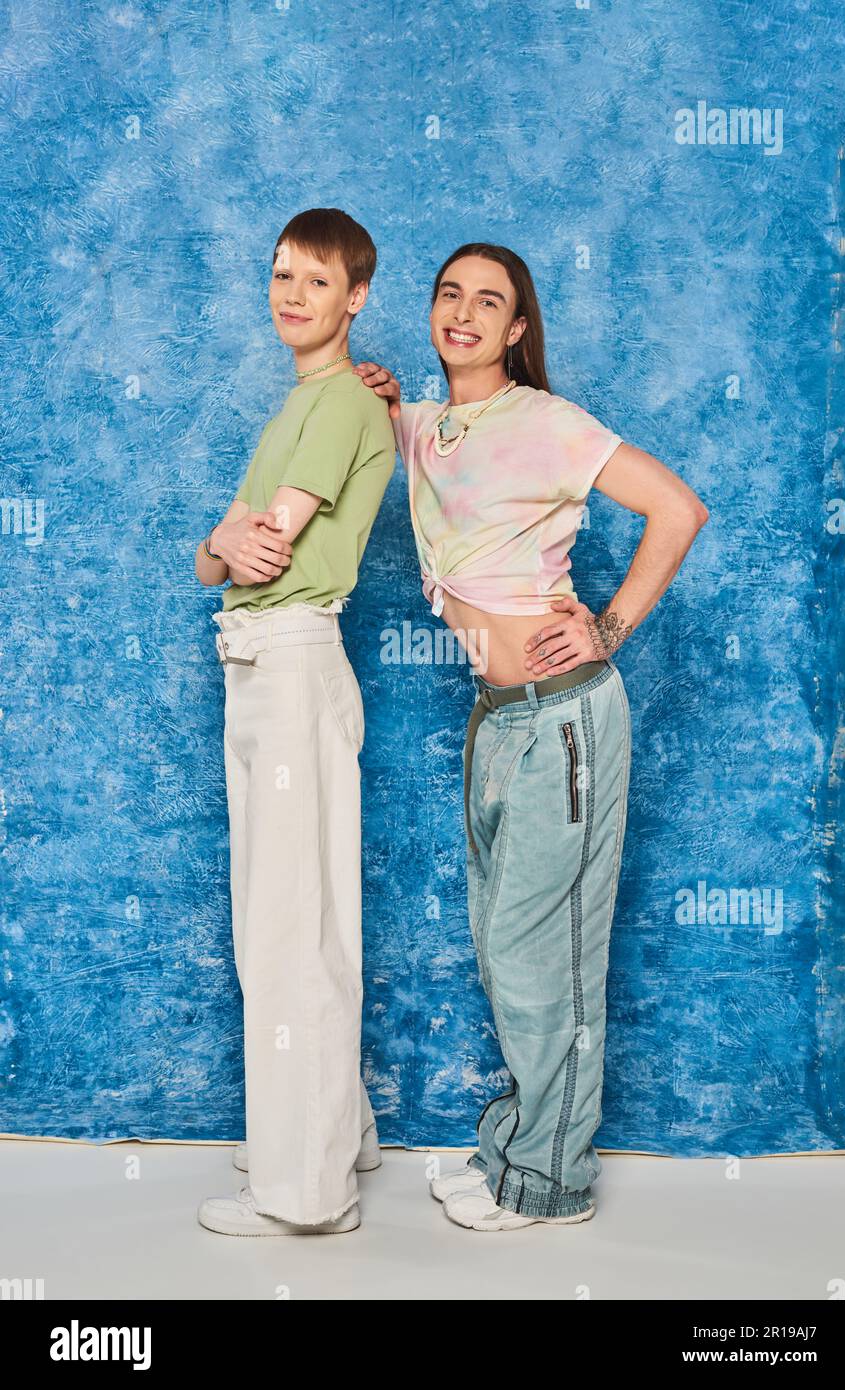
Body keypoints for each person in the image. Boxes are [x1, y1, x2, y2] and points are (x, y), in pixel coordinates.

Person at [355, 242, 709, 1232]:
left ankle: (551, 1183)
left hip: (567, 723)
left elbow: (678, 509)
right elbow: (366, 422)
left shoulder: (548, 422)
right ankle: (516, 1149)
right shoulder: (424, 427)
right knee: (506, 946)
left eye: (490, 302)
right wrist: (371, 389)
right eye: (449, 294)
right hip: (496, 722)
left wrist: (608, 625)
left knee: (541, 952)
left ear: (517, 329)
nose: (464, 312)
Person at [194, 208, 395, 1236]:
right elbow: (210, 559)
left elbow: (258, 548)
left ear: (355, 297)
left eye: (315, 281)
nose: (291, 294)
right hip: (264, 665)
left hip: (289, 659)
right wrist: (223, 539)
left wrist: (231, 537)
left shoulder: (339, 408)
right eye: (280, 274)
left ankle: (304, 1193)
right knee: (295, 918)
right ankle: (329, 1132)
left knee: (289, 929)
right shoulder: (306, 402)